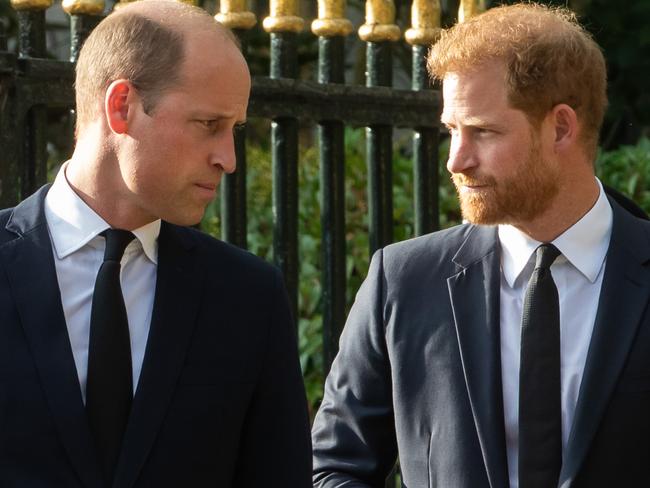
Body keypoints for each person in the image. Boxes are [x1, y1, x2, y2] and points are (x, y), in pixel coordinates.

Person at [312, 4, 650, 488]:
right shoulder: (403, 280)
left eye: (483, 132)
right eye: (452, 130)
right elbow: (332, 468)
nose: (456, 161)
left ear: (560, 127)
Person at [0, 1, 311, 487]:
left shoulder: (249, 298)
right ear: (121, 106)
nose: (229, 159)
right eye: (209, 125)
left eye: (236, 130)